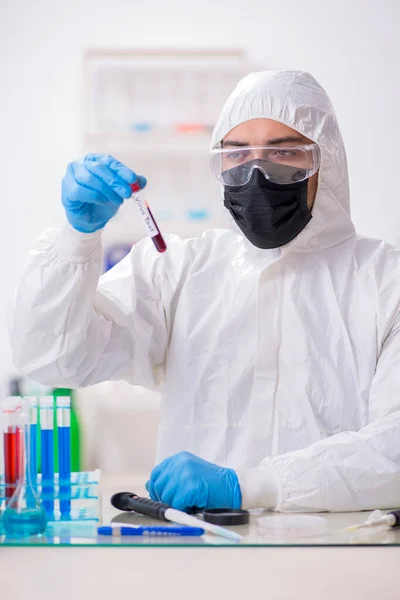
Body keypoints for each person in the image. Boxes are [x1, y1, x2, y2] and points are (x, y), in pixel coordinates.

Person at [10, 70, 400, 513]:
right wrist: (77, 239)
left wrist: (254, 486)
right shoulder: (179, 271)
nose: (256, 172)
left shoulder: (385, 281)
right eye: (236, 154)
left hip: (340, 553)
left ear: (324, 161)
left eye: (284, 152)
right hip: (197, 552)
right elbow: (52, 357)